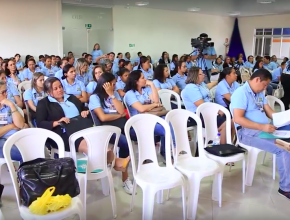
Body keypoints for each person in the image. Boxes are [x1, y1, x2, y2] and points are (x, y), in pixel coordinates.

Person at [36, 77, 130, 172]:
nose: (60, 90)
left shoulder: (71, 97)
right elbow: (40, 123)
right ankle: (116, 162)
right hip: (63, 133)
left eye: (60, 87)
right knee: (85, 141)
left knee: (96, 137)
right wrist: (57, 122)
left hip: (81, 127)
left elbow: (83, 109)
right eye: (55, 89)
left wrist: (84, 112)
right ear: (48, 92)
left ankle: (98, 167)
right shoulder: (44, 104)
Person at [231, 69, 290, 200]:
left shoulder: (259, 93)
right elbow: (238, 119)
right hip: (247, 132)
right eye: (264, 85)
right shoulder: (241, 93)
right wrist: (262, 126)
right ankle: (286, 188)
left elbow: (269, 112)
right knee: (283, 149)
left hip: (264, 129)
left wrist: (283, 118)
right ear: (257, 79)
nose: (265, 88)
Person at [89, 73, 134, 194]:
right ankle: (125, 179)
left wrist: (111, 95)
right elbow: (103, 118)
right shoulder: (95, 98)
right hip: (107, 129)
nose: (114, 86)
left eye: (114, 84)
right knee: (126, 144)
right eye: (112, 84)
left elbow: (122, 111)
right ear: (105, 84)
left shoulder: (114, 95)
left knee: (139, 134)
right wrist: (118, 116)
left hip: (122, 125)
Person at [124, 70, 174, 161]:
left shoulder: (146, 90)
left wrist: (152, 85)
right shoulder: (129, 94)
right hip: (139, 123)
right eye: (142, 78)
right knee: (165, 128)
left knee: (169, 121)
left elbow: (156, 101)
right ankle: (170, 151)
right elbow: (141, 109)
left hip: (153, 118)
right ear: (136, 81)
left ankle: (169, 151)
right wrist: (153, 105)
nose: (145, 79)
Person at [181, 67, 230, 144]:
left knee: (230, 120)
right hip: (198, 114)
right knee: (225, 124)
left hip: (207, 111)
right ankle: (221, 145)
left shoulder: (201, 84)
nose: (203, 75)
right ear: (195, 76)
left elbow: (208, 86)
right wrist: (216, 110)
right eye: (201, 74)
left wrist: (218, 81)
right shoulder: (191, 87)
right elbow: (201, 105)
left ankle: (218, 138)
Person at [0, 81, 25, 162]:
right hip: (3, 140)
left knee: (37, 147)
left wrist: (12, 106)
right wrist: (12, 126)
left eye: (6, 91)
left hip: (17, 135)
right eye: (3, 92)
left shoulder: (9, 103)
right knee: (24, 153)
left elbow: (20, 124)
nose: (6, 94)